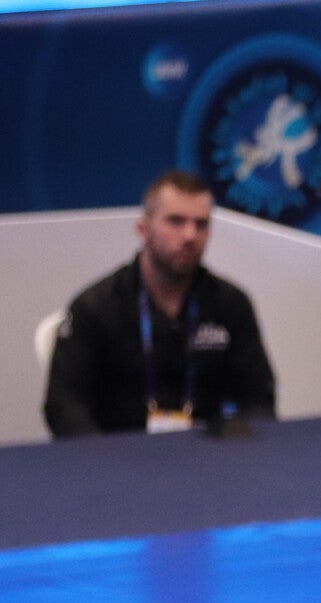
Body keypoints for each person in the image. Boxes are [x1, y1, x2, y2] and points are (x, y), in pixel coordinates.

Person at [43, 170, 276, 437]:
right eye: (176, 221)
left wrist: (242, 448)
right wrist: (102, 458)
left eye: (201, 224)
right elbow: (64, 406)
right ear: (143, 229)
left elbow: (259, 400)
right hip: (119, 452)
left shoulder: (231, 304)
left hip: (209, 453)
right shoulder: (95, 307)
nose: (190, 235)